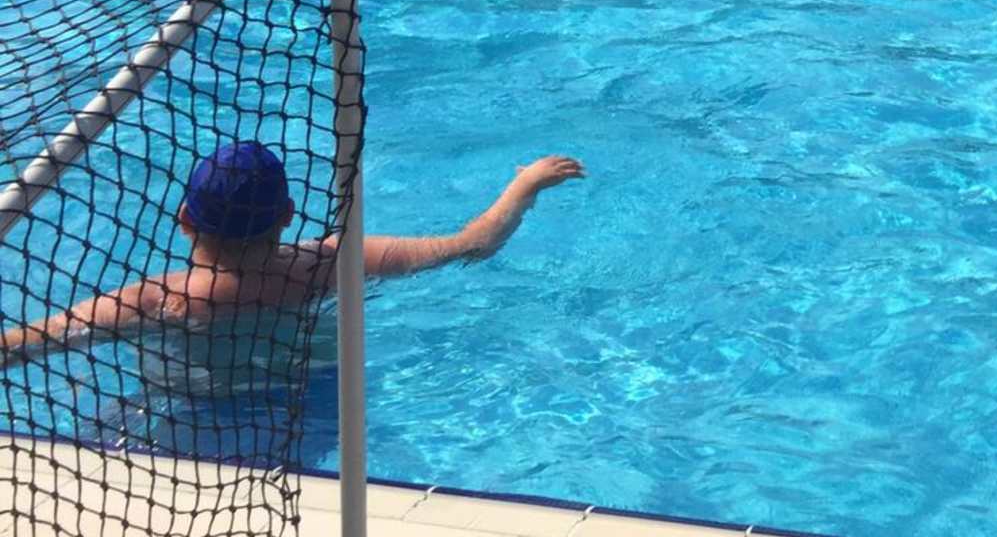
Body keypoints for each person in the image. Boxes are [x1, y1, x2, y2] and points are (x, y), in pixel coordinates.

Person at [0, 143, 585, 374]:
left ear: (184, 219)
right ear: (286, 214)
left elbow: (27, 344)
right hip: (308, 407)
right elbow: (473, 246)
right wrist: (525, 185)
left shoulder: (157, 300)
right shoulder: (332, 264)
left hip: (187, 414)